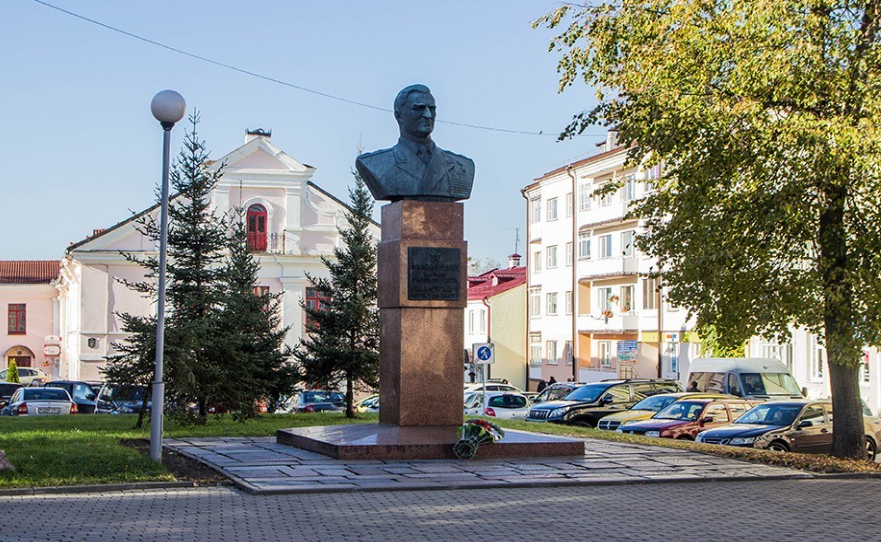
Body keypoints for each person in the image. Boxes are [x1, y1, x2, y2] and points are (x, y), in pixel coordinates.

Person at [356, 84, 475, 202]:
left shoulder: (462, 166)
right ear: (399, 116)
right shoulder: (376, 164)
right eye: (419, 108)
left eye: (432, 109)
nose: (428, 115)